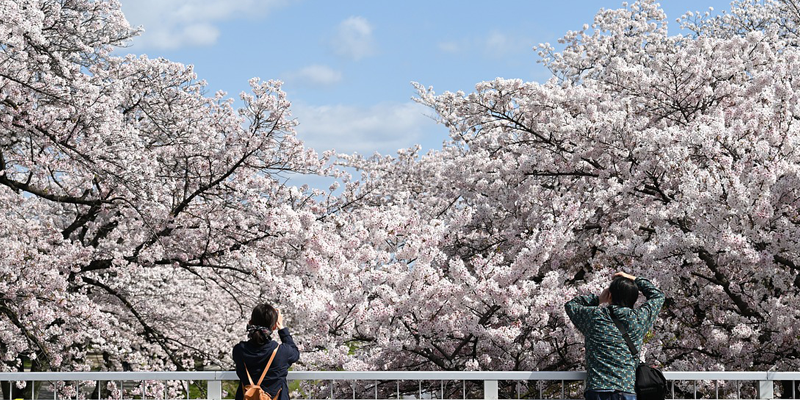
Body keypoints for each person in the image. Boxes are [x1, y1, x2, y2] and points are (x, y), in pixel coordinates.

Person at [565, 272, 665, 400]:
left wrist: (598, 299)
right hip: (625, 388)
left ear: (610, 295)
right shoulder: (638, 318)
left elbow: (571, 305)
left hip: (597, 388)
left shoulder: (595, 316)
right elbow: (658, 296)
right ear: (633, 298)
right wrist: (635, 279)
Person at [233, 303, 300, 400]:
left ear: (250, 322)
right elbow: (295, 353)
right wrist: (282, 328)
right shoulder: (282, 352)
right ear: (273, 327)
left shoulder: (239, 350)